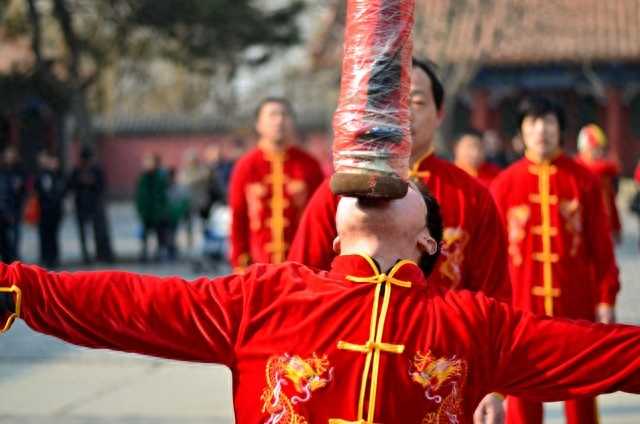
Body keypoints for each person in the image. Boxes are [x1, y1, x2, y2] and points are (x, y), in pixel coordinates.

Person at [2, 184, 640, 424]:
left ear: (429, 241)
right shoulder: (267, 297)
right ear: (335, 235)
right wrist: (15, 286)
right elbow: (127, 304)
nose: (383, 181)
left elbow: (608, 354)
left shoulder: (472, 322)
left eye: (405, 186)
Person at [288, 59, 510, 302]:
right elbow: (301, 281)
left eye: (417, 101)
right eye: (392, 101)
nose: (403, 112)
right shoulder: (345, 188)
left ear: (439, 114)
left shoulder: (472, 196)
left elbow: (494, 298)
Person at [490, 97, 620, 424]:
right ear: (521, 130)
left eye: (548, 122)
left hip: (576, 309)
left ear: (560, 129)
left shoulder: (584, 181)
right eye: (532, 122)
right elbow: (491, 257)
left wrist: (606, 298)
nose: (541, 130)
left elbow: (601, 247)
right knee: (522, 402)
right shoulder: (504, 185)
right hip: (521, 312)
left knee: (581, 400)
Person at [228, 97, 324, 270]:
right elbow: (238, 217)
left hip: (301, 267)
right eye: (272, 115)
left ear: (293, 123)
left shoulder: (310, 165)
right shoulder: (246, 166)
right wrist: (239, 262)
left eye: (284, 115)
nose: (279, 120)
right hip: (258, 267)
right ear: (258, 124)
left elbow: (321, 218)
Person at [575, 124, 622, 243]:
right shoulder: (574, 172)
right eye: (594, 149)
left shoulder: (606, 175)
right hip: (582, 225)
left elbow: (611, 202)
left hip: (603, 224)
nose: (598, 153)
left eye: (600, 149)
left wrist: (616, 226)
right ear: (583, 150)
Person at [67, 147, 114, 264]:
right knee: (83, 233)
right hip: (81, 205)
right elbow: (70, 185)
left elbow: (102, 185)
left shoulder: (97, 170)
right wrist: (80, 181)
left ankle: (101, 254)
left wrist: (92, 182)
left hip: (95, 205)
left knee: (98, 231)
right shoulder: (77, 170)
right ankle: (86, 256)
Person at [34, 150, 66, 269]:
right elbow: (38, 191)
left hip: (55, 211)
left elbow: (63, 191)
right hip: (43, 211)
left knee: (53, 235)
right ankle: (45, 257)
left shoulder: (59, 176)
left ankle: (54, 258)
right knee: (44, 235)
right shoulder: (41, 175)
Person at [134, 153, 169, 262]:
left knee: (160, 234)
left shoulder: (161, 178)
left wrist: (163, 210)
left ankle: (159, 253)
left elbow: (164, 196)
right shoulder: (142, 178)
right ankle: (144, 252)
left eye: (152, 163)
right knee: (144, 234)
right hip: (146, 212)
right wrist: (140, 209)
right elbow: (139, 196)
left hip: (157, 212)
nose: (150, 165)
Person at [0, 146, 28, 262]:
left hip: (16, 209)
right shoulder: (3, 172)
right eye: (8, 156)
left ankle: (14, 260)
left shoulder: (19, 172)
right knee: (6, 239)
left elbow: (25, 190)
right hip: (4, 211)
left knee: (15, 237)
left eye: (12, 155)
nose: (10, 158)